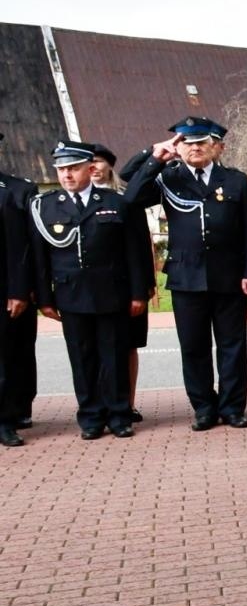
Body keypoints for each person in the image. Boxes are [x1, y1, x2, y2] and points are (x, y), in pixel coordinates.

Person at [123, 116, 247, 430]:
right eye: (187, 143)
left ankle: (232, 408)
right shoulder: (168, 177)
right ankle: (204, 408)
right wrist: (155, 155)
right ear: (178, 147)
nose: (194, 148)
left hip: (229, 276)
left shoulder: (235, 180)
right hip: (186, 276)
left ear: (217, 146)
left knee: (232, 345)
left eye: (201, 142)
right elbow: (131, 195)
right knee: (193, 347)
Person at [28, 140, 154, 439]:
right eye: (61, 169)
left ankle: (119, 415)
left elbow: (134, 252)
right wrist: (44, 298)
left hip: (112, 293)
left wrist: (138, 293)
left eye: (73, 168)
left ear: (89, 168)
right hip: (71, 295)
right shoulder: (45, 206)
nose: (67, 175)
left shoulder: (115, 202)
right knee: (82, 358)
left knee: (114, 355)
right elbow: (40, 258)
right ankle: (91, 417)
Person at [90, 143, 159, 420]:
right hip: (95, 287)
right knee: (94, 349)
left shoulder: (128, 197)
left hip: (128, 283)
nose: (93, 167)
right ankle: (101, 404)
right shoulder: (73, 199)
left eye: (98, 161)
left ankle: (127, 404)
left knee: (129, 345)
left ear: (110, 165)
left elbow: (141, 243)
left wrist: (146, 284)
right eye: (87, 162)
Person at [1, 133, 39, 447]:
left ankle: (6, 419)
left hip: (6, 290)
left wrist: (19, 290)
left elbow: (24, 247)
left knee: (9, 357)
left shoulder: (17, 190)